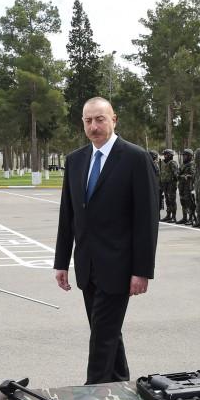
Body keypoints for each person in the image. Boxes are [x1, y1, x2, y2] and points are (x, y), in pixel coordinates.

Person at [54, 97, 159, 384]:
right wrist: (61, 262)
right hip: (87, 266)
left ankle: (93, 394)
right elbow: (69, 216)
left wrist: (142, 270)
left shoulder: (136, 158)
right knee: (107, 331)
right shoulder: (75, 161)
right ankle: (120, 382)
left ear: (114, 119)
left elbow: (147, 220)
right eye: (88, 120)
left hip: (120, 267)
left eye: (100, 119)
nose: (94, 126)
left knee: (102, 334)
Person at [177, 149, 196, 225]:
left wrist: (186, 176)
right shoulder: (183, 164)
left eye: (185, 156)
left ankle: (191, 219)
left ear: (189, 156)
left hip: (188, 187)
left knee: (190, 203)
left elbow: (193, 175)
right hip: (182, 186)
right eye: (183, 156)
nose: (184, 157)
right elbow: (178, 173)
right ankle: (184, 218)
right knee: (183, 203)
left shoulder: (191, 164)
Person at [158, 149, 178, 222]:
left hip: (171, 184)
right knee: (167, 200)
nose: (164, 156)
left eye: (166, 154)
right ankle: (168, 215)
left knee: (172, 200)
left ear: (169, 155)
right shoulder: (162, 163)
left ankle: (173, 216)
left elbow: (176, 174)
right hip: (165, 184)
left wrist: (174, 182)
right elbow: (161, 174)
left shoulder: (172, 163)